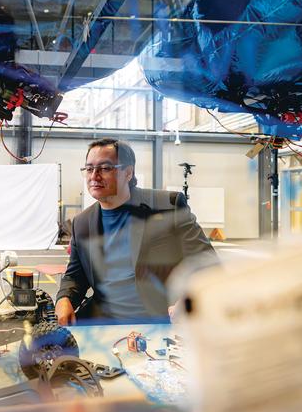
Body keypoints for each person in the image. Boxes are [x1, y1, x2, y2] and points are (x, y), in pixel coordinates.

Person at [56, 138, 216, 324]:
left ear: (128, 172)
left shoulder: (168, 207)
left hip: (161, 321)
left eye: (105, 168)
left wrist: (189, 298)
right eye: (89, 169)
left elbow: (208, 263)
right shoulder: (82, 223)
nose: (94, 176)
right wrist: (64, 299)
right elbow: (75, 276)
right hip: (103, 322)